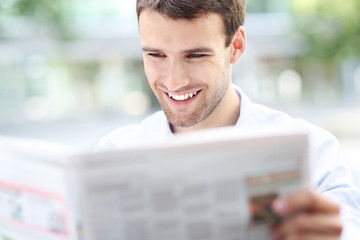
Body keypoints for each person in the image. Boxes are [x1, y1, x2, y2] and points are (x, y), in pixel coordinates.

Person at [96, 0, 360, 239]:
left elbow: (347, 227)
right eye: (155, 55)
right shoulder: (111, 156)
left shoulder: (312, 151)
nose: (174, 81)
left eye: (196, 55)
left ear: (236, 46)